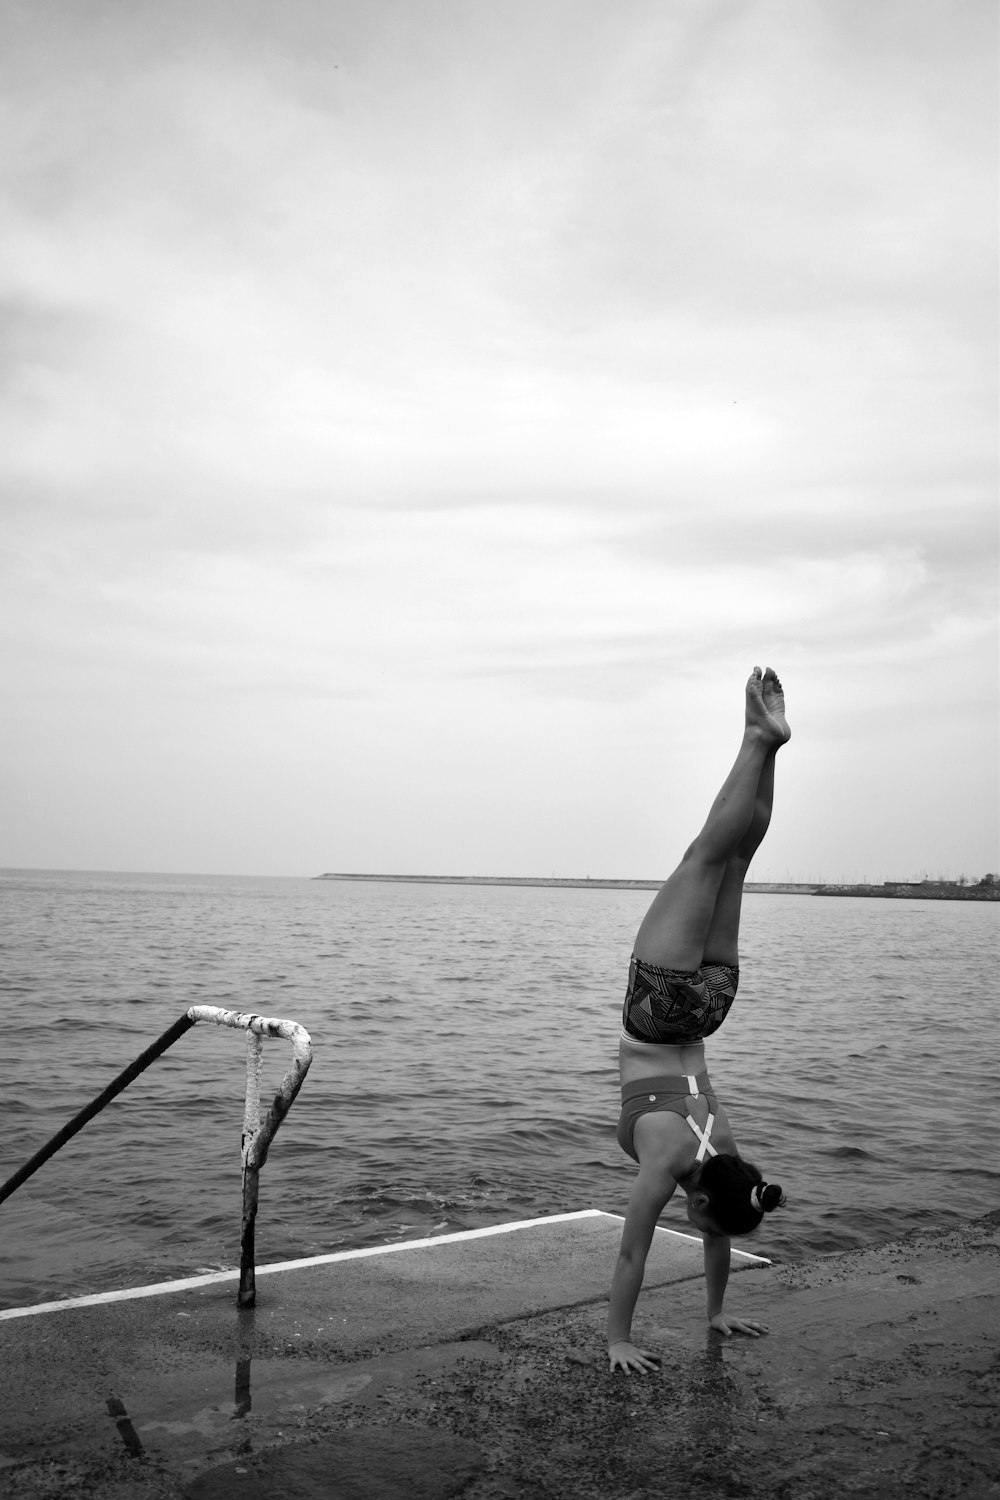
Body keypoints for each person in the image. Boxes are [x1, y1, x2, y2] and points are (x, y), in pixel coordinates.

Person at [607, 665, 790, 1376]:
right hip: (659, 1015)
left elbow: (722, 1231)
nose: (701, 1227)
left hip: (711, 1006)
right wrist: (617, 1340)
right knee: (707, 854)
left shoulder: (730, 1157)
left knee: (736, 858)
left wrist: (716, 1314)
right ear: (708, 1197)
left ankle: (769, 749)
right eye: (704, 1217)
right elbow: (632, 1251)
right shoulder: (672, 1164)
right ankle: (756, 739)